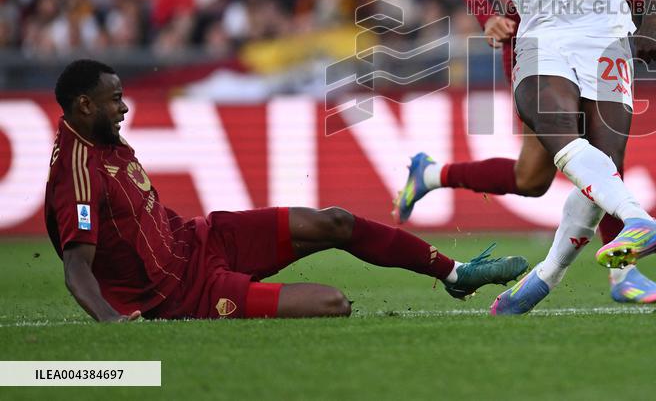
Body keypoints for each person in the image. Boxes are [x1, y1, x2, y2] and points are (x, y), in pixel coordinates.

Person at [297, 0, 656, 315]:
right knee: (555, 130)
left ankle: (544, 278)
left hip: (604, 30)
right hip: (540, 34)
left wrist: (653, 23)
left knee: (602, 165)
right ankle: (639, 221)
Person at [45, 59, 527, 322]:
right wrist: (113, 322)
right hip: (181, 294)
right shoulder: (77, 175)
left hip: (200, 240)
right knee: (332, 304)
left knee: (334, 219)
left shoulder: (102, 135)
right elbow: (76, 269)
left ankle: (455, 273)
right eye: (114, 101)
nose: (125, 108)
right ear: (84, 105)